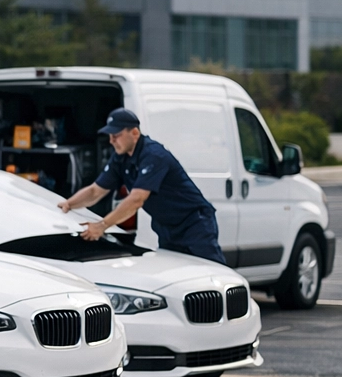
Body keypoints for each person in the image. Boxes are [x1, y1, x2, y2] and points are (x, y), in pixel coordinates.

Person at [56, 108, 226, 264]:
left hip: (194, 223)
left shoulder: (154, 155)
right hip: (167, 227)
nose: (111, 141)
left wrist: (101, 226)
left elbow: (137, 199)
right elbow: (95, 191)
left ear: (135, 133)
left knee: (212, 270)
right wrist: (69, 204)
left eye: (116, 135)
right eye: (110, 136)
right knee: (177, 274)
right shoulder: (120, 157)